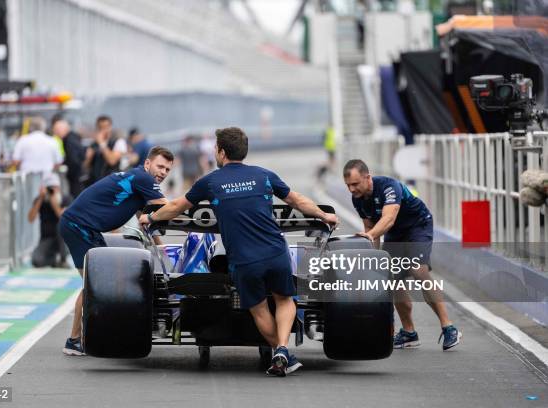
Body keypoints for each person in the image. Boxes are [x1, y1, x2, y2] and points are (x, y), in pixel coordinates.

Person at [140, 127, 338, 377]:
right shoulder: (264, 175)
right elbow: (297, 200)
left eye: (215, 149)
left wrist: (151, 217)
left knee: (259, 310)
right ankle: (283, 349)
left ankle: (279, 350)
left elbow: (177, 206)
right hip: (276, 251)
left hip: (245, 261)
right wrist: (324, 215)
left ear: (221, 152)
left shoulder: (211, 181)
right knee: (285, 299)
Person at [59, 146, 174, 356]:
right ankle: (73, 341)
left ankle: (86, 336)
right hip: (79, 227)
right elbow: (170, 208)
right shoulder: (144, 179)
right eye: (160, 166)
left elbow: (145, 216)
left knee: (99, 283)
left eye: (167, 169)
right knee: (94, 285)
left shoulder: (139, 180)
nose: (163, 173)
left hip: (85, 228)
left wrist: (159, 245)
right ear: (147, 163)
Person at [342, 159, 462, 351]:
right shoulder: (358, 199)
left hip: (418, 226)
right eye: (348, 185)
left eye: (355, 184)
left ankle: (448, 327)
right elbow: (369, 229)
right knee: (392, 279)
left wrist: (371, 234)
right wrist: (375, 258)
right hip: (396, 234)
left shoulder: (389, 187)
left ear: (367, 178)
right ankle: (409, 333)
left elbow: (388, 218)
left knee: (418, 270)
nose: (351, 189)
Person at [28, 173, 72, 267]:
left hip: (64, 240)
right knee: (36, 260)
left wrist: (55, 205)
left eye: (55, 187)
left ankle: (63, 259)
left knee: (60, 224)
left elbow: (65, 219)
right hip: (47, 239)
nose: (53, 191)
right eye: (50, 188)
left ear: (59, 188)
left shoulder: (66, 199)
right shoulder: (40, 200)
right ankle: (54, 261)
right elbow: (30, 219)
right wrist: (40, 198)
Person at [84, 115, 127, 186]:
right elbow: (86, 165)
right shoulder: (94, 144)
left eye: (106, 127)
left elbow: (112, 161)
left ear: (110, 127)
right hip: (95, 183)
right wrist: (88, 156)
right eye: (101, 128)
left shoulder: (118, 142)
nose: (104, 130)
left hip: (112, 182)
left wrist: (102, 144)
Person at [52, 117, 85, 197]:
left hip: (75, 177)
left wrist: (68, 170)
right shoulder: (72, 138)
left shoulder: (69, 141)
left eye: (56, 130)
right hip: (78, 176)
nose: (55, 133)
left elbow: (73, 159)